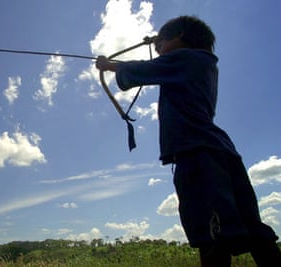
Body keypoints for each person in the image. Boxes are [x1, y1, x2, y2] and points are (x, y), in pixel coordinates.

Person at [96, 16, 281, 267]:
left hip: (197, 154)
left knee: (209, 232)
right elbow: (160, 64)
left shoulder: (186, 59)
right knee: (252, 228)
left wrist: (109, 65)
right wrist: (159, 41)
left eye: (162, 41)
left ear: (180, 36)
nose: (158, 46)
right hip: (220, 152)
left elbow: (144, 70)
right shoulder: (200, 63)